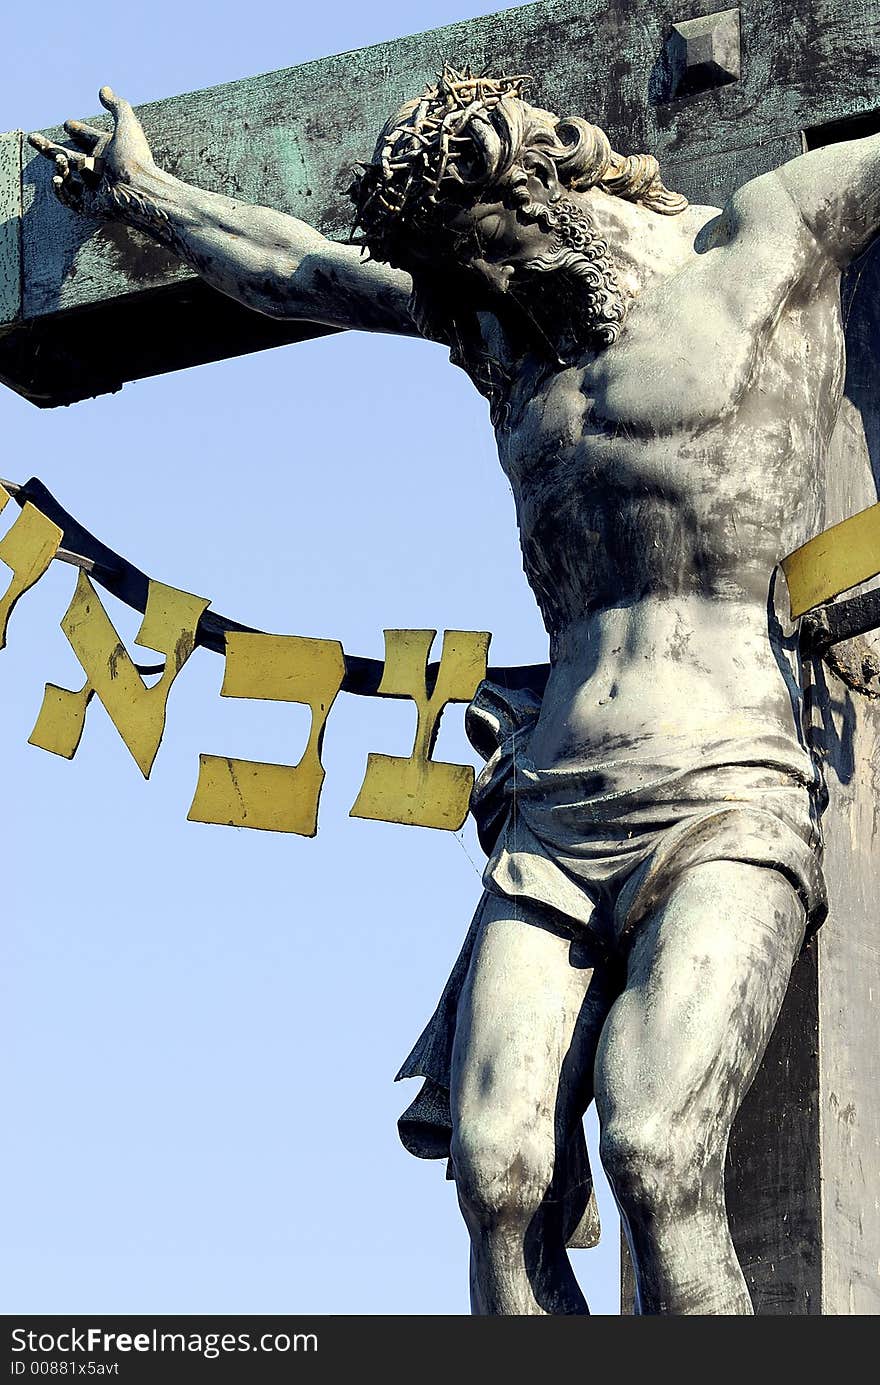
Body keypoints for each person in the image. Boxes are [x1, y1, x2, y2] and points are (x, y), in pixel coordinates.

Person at [31, 64, 873, 1313]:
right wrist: (141, 196)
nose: (477, 303)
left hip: (727, 784)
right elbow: (294, 267)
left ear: (550, 182)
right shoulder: (489, 318)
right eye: (457, 281)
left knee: (654, 1147)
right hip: (549, 805)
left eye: (491, 261)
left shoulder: (769, 235)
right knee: (497, 1179)